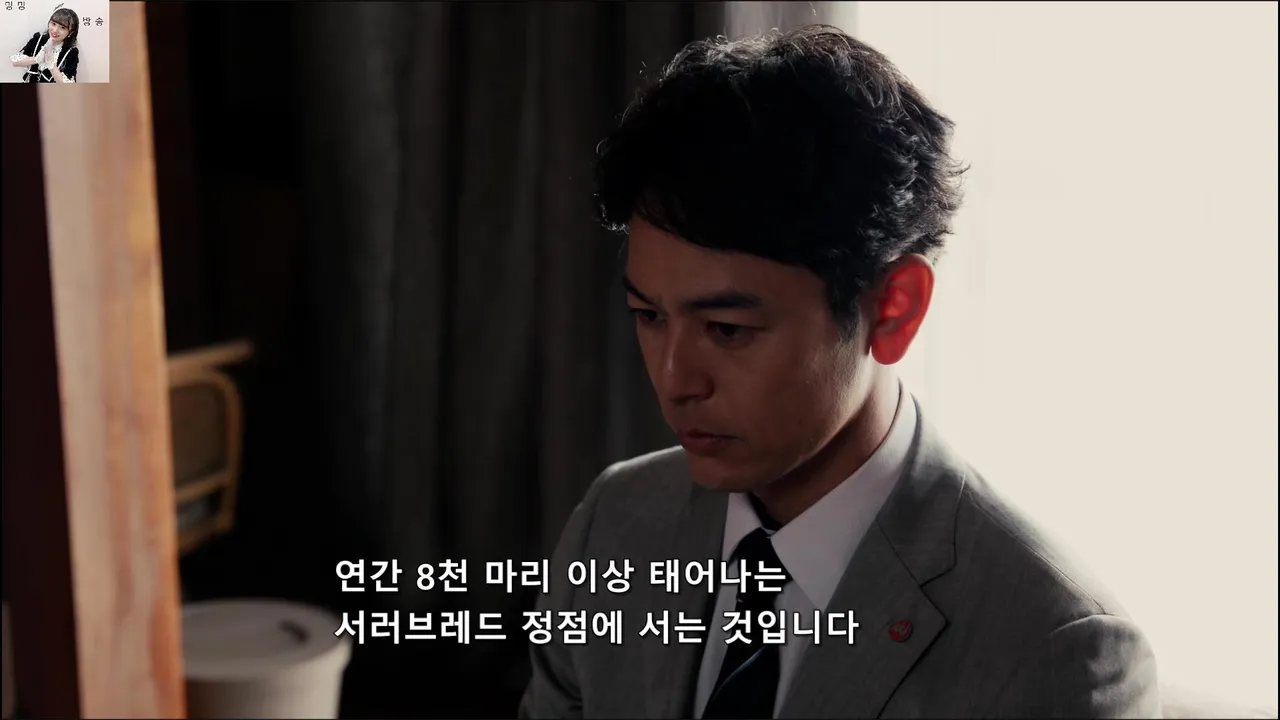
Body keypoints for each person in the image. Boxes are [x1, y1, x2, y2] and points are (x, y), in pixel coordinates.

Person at [519, 24, 1160, 719]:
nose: (675, 380)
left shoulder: (1053, 649)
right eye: (648, 315)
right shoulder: (617, 522)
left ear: (894, 309)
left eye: (728, 330)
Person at [9, 8, 81, 84]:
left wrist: (51, 65)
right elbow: (15, 62)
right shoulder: (38, 39)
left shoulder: (71, 53)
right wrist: (37, 59)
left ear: (70, 33)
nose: (55, 30)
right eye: (53, 24)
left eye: (62, 27)